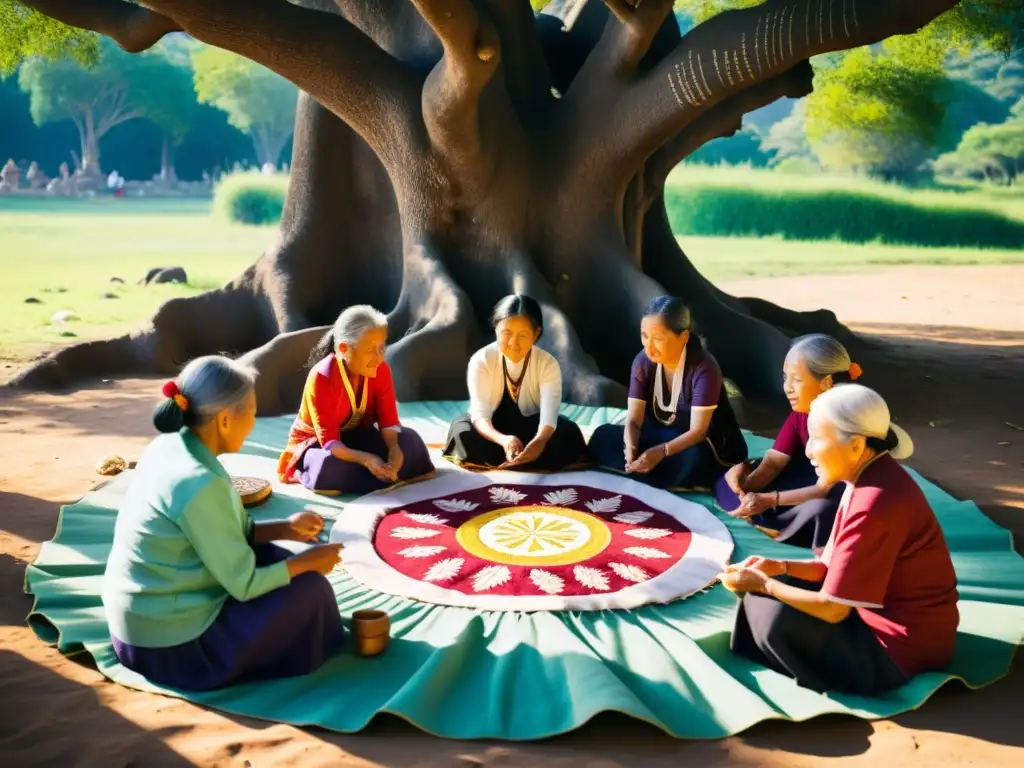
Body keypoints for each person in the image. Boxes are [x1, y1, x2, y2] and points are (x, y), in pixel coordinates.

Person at [102, 356, 345, 692]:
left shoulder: (170, 446)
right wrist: (308, 562)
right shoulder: (199, 482)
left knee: (274, 555)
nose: (253, 424)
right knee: (310, 589)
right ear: (226, 419)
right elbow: (244, 585)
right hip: (169, 646)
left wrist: (285, 528)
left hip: (141, 620)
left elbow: (222, 534)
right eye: (252, 414)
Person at [722, 385, 959, 696]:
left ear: (856, 445)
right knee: (769, 597)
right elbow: (830, 568)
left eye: (817, 439)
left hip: (898, 650)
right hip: (885, 621)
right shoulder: (867, 476)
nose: (808, 451)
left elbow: (834, 609)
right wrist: (778, 567)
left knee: (771, 613)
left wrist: (764, 584)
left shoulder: (875, 502)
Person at [714, 334, 862, 550]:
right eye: (785, 378)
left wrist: (768, 500)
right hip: (808, 478)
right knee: (726, 482)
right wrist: (745, 487)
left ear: (826, 383)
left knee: (820, 513)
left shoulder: (845, 421)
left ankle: (778, 520)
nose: (788, 387)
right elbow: (774, 462)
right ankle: (765, 513)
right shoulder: (801, 414)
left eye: (797, 379)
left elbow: (823, 489)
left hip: (839, 490)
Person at [589, 296, 747, 489]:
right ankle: (643, 468)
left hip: (697, 443)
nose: (649, 347)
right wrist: (630, 449)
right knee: (603, 436)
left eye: (658, 339)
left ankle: (645, 470)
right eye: (645, 336)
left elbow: (698, 432)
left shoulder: (704, 367)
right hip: (656, 435)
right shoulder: (642, 362)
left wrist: (662, 452)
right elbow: (633, 420)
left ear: (684, 337)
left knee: (694, 458)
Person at [277, 305, 434, 494]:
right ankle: (373, 475)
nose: (378, 357)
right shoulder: (323, 376)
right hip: (319, 444)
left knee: (410, 442)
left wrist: (394, 451)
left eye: (382, 347)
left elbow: (389, 422)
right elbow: (330, 442)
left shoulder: (381, 369)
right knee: (328, 467)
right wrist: (367, 459)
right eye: (370, 350)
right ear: (344, 348)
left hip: (359, 435)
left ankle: (373, 476)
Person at [443, 294, 586, 471]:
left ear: (537, 334)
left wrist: (539, 442)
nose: (513, 343)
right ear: (496, 328)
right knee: (462, 431)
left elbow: (549, 415)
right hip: (492, 430)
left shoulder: (547, 363)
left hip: (532, 427)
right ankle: (525, 460)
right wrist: (504, 440)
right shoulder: (481, 360)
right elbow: (480, 415)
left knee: (567, 433)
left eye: (523, 335)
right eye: (506, 333)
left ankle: (527, 456)